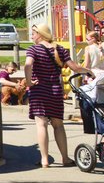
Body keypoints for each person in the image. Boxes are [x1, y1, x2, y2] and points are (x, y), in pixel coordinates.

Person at [25, 23, 91, 168]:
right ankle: (65, 158)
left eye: (34, 33)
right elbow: (74, 67)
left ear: (41, 34)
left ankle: (44, 160)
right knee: (58, 126)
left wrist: (29, 82)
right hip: (55, 90)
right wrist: (89, 71)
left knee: (41, 125)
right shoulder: (60, 49)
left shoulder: (33, 49)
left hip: (39, 91)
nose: (32, 36)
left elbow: (28, 65)